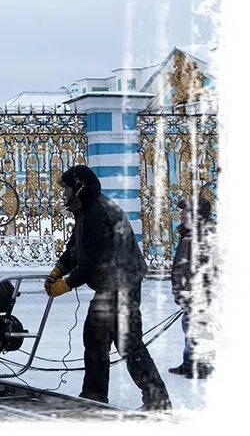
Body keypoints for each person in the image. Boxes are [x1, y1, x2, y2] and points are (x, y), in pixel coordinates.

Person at [44, 165, 171, 411]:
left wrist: (66, 284)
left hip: (122, 283)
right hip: (110, 285)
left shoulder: (98, 212)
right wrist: (60, 267)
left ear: (79, 187)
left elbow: (93, 260)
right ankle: (94, 395)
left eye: (66, 188)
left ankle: (158, 401)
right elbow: (76, 245)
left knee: (128, 343)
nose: (64, 194)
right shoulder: (86, 209)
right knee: (95, 337)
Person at [169, 196, 216, 379]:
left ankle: (202, 366)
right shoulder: (189, 234)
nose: (181, 214)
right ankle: (189, 362)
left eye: (185, 212)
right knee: (189, 326)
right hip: (188, 292)